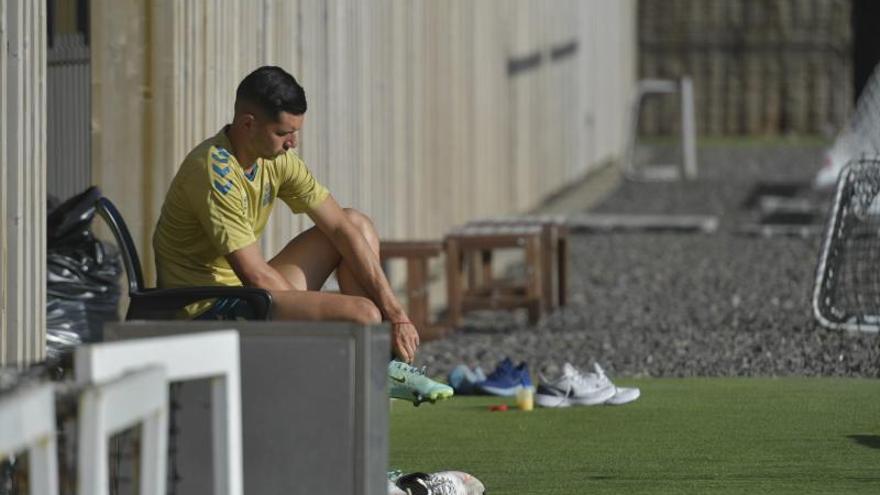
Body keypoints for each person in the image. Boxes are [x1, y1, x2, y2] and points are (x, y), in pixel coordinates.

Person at [152, 65, 451, 404]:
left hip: (247, 291)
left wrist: (397, 314)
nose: (293, 143)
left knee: (357, 225)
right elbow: (253, 274)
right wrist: (336, 312)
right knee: (361, 315)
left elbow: (339, 227)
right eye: (284, 132)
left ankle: (384, 367)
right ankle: (361, 406)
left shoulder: (275, 158)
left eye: (296, 132)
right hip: (206, 307)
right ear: (248, 124)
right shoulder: (214, 172)